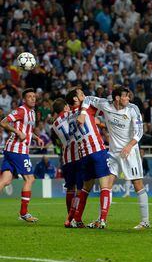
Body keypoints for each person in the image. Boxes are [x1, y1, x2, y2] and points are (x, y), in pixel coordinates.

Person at [79, 86, 150, 230]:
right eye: (126, 96)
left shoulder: (133, 109)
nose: (128, 99)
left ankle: (145, 221)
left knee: (137, 184)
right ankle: (101, 219)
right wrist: (82, 112)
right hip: (113, 153)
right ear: (117, 98)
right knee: (107, 185)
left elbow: (139, 131)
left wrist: (129, 146)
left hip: (130, 151)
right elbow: (87, 99)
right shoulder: (105, 104)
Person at [65, 87, 112, 229]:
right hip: (97, 150)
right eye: (81, 94)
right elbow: (101, 106)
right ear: (75, 98)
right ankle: (102, 219)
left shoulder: (69, 116)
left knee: (85, 188)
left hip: (83, 154)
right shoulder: (86, 109)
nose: (84, 95)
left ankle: (77, 219)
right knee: (105, 185)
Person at [0, 88, 44, 222]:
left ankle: (24, 213)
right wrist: (17, 132)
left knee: (5, 181)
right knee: (30, 179)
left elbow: (27, 130)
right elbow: (3, 122)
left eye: (34, 96)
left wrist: (36, 137)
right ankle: (24, 213)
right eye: (29, 97)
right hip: (17, 150)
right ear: (24, 99)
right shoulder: (21, 110)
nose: (33, 98)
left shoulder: (31, 112)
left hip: (12, 150)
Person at [51, 98, 87, 227]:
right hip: (78, 156)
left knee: (70, 188)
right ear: (65, 107)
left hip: (66, 159)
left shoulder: (54, 124)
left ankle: (69, 215)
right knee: (80, 188)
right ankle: (74, 218)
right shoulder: (70, 114)